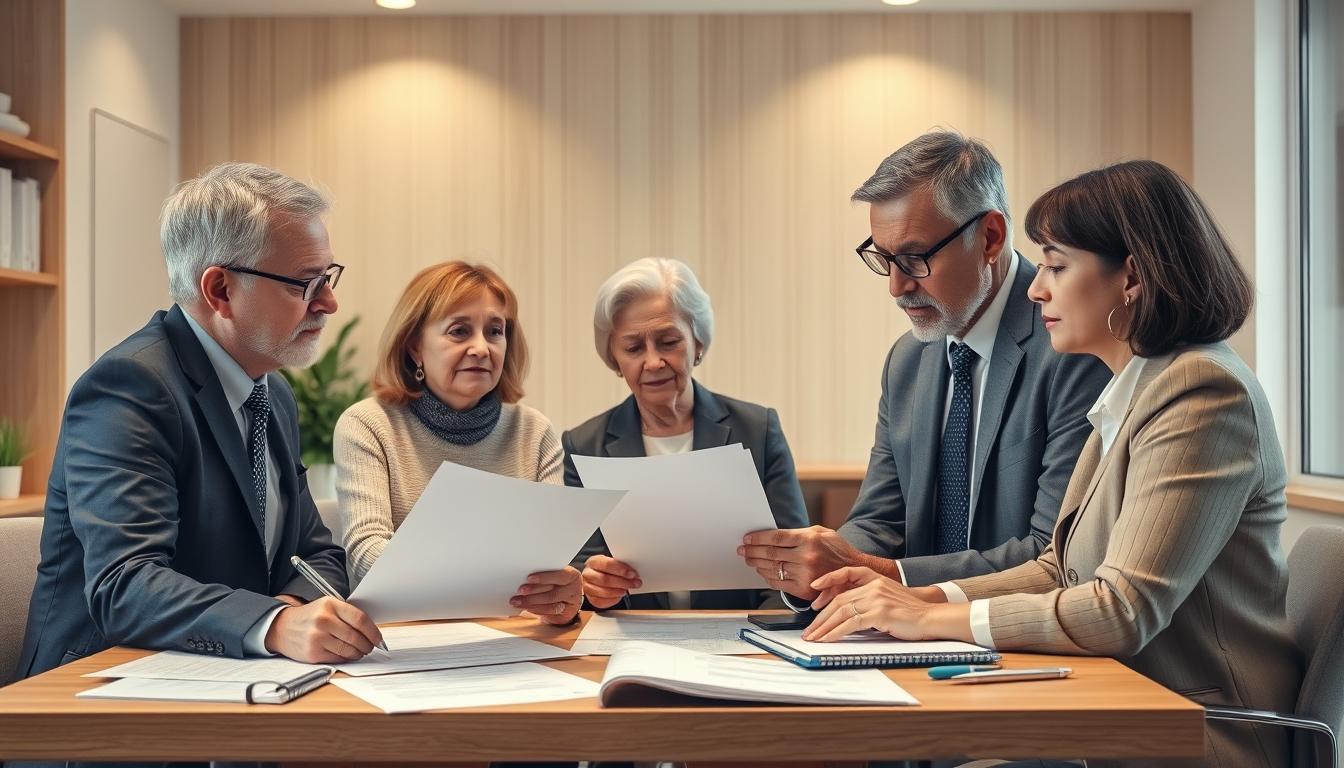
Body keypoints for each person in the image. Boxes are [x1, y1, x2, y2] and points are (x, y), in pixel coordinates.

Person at [804, 160, 1301, 768]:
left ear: (1133, 278)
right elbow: (1058, 567)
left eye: (1057, 267)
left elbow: (1120, 610)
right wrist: (925, 597)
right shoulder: (1136, 387)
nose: (1037, 288)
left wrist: (930, 619)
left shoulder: (1200, 392)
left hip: (1198, 729)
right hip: (1120, 708)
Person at [18, 162, 383, 686]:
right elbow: (125, 584)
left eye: (327, 278)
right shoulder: (129, 387)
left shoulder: (271, 390)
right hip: (103, 705)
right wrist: (275, 624)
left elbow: (317, 554)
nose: (328, 302)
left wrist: (285, 610)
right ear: (220, 290)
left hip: (232, 684)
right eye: (306, 284)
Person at [740, 130, 1110, 599]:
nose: (896, 287)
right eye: (885, 258)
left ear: (990, 237)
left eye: (914, 258)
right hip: (916, 634)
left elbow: (1055, 554)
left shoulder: (1074, 342)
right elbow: (880, 520)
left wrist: (880, 573)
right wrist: (819, 574)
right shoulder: (907, 360)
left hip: (1024, 638)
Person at [335, 261, 581, 624]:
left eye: (495, 331)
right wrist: (493, 578)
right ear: (415, 347)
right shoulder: (367, 425)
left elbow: (549, 563)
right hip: (403, 639)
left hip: (513, 642)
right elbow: (368, 556)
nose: (482, 348)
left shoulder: (535, 431)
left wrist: (562, 596)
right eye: (459, 331)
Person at [565, 257, 809, 610]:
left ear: (698, 343)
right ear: (614, 359)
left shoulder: (759, 429)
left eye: (668, 342)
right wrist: (595, 588)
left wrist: (764, 635)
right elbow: (582, 571)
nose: (652, 362)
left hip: (741, 635)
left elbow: (792, 562)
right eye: (633, 348)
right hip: (630, 642)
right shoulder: (584, 445)